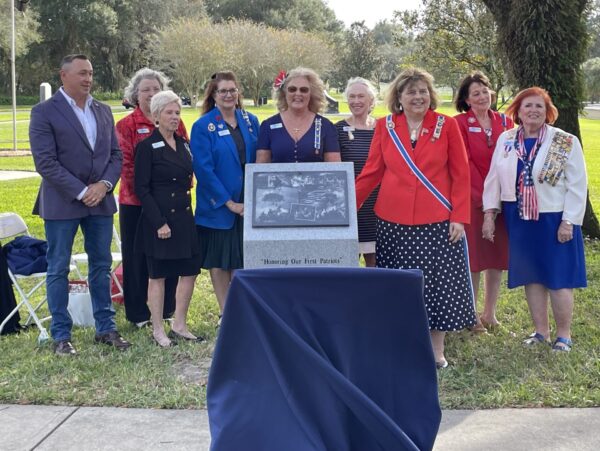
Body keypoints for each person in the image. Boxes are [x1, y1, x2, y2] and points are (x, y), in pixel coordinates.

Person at [355, 68, 476, 369]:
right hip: (392, 221)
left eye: (423, 91)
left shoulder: (446, 126)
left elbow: (461, 175)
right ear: (399, 97)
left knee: (435, 285)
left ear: (431, 95)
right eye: (411, 92)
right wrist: (344, 207)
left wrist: (459, 217)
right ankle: (402, 343)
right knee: (398, 286)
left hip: (436, 220)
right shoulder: (386, 127)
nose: (418, 97)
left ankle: (436, 349)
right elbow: (372, 172)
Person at [29, 54, 131, 355]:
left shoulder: (102, 110)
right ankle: (61, 335)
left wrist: (103, 186)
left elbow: (115, 155)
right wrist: (81, 190)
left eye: (91, 73)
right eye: (82, 73)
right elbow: (45, 162)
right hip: (62, 203)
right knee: (58, 266)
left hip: (100, 201)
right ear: (64, 75)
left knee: (100, 266)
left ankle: (106, 328)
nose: (88, 79)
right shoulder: (44, 112)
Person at [482, 87, 587, 352]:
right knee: (532, 276)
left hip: (554, 219)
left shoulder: (564, 141)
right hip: (519, 218)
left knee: (559, 276)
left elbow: (577, 186)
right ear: (518, 110)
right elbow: (493, 178)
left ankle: (563, 336)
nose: (533, 111)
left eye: (539, 106)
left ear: (548, 111)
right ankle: (541, 331)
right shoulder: (506, 139)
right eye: (528, 106)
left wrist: (569, 221)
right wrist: (489, 214)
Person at [116, 68, 188, 328]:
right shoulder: (126, 125)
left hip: (169, 203)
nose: (150, 93)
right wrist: (149, 198)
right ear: (135, 94)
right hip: (136, 203)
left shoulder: (175, 122)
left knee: (167, 256)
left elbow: (184, 159)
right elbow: (127, 166)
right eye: (145, 89)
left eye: (155, 89)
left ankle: (167, 310)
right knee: (137, 259)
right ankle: (138, 314)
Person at [134, 90, 202, 347]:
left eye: (177, 112)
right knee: (158, 275)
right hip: (160, 220)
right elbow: (142, 189)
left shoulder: (183, 143)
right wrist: (159, 222)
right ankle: (158, 329)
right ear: (156, 116)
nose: (174, 117)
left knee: (190, 270)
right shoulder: (147, 147)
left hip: (184, 217)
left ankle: (180, 324)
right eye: (169, 112)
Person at [190, 72, 259, 313]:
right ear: (214, 95)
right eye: (223, 91)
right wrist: (228, 203)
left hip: (248, 203)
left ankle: (240, 309)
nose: (229, 95)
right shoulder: (203, 126)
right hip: (219, 204)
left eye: (232, 90)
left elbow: (260, 161)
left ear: (238, 93)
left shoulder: (250, 121)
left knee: (241, 259)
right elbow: (203, 169)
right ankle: (225, 311)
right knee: (219, 262)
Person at [454, 71, 514, 332]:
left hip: (502, 200)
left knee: (496, 257)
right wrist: (484, 197)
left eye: (484, 91)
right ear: (467, 100)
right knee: (475, 259)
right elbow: (463, 163)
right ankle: (471, 315)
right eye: (474, 93)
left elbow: (511, 159)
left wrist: (501, 196)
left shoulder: (505, 121)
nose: (481, 96)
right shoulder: (458, 123)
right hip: (473, 199)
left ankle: (490, 313)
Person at [336, 77, 378, 267]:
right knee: (348, 271)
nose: (356, 101)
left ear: (371, 100)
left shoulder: (384, 128)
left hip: (377, 210)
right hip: (349, 209)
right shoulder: (336, 130)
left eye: (361, 96)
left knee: (376, 269)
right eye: (351, 96)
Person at [256, 67, 340, 163]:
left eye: (304, 90)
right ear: (284, 93)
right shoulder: (268, 126)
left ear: (311, 94)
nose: (298, 93)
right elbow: (260, 169)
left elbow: (335, 170)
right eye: (292, 89)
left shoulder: (326, 127)